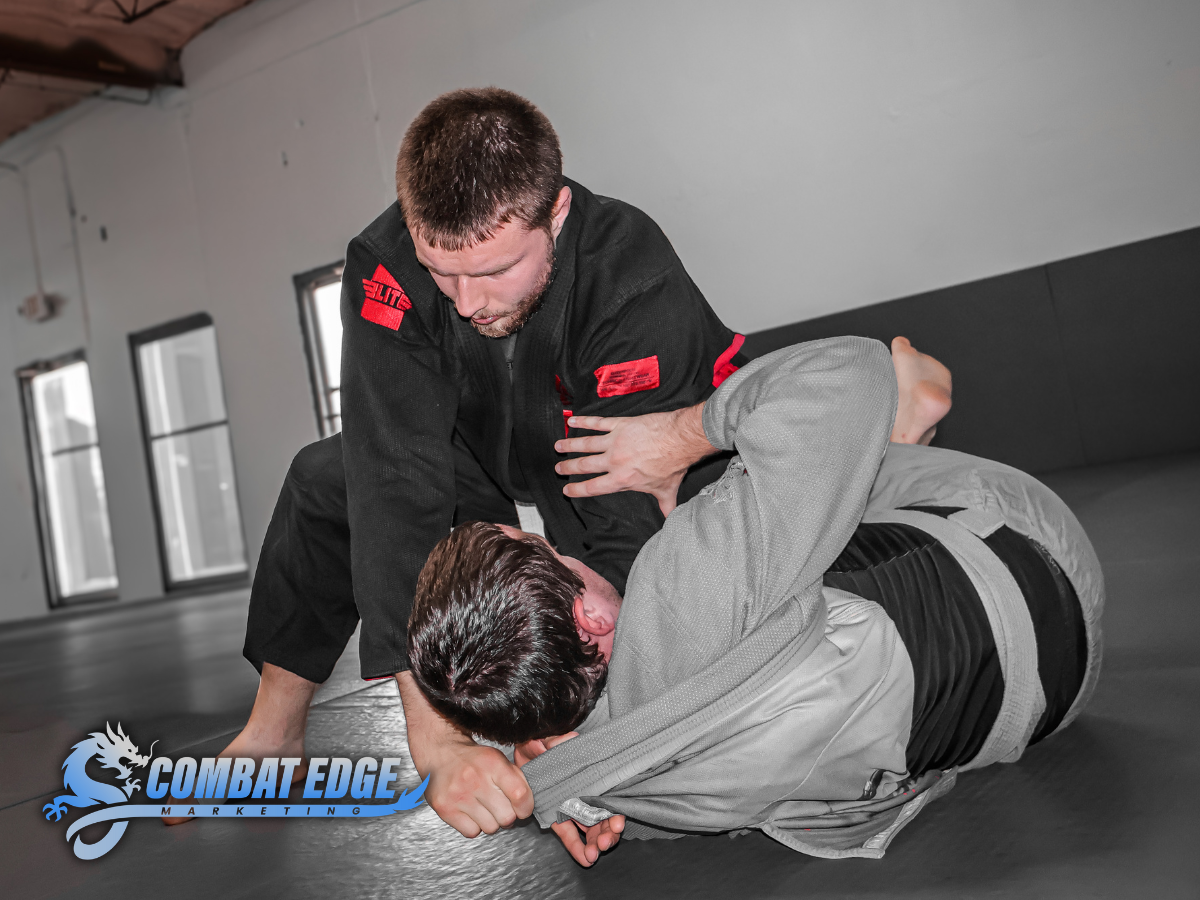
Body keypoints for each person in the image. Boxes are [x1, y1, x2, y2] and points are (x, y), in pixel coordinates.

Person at [187, 87, 952, 836]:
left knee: (749, 581)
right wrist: (438, 742)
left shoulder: (627, 267)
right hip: (490, 451)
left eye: (493, 272)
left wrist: (555, 726)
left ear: (554, 212)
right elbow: (396, 479)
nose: (465, 301)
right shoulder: (386, 268)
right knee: (331, 478)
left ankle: (893, 438)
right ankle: (274, 732)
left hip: (653, 460)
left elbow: (619, 535)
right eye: (442, 271)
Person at [406, 337, 1103, 865]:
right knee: (767, 490)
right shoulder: (681, 581)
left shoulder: (604, 782)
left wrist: (553, 768)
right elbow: (850, 370)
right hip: (1032, 554)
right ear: (590, 619)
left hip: (1037, 710)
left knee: (776, 557)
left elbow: (584, 767)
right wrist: (686, 432)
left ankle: (881, 450)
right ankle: (899, 436)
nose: (571, 552)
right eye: (558, 557)